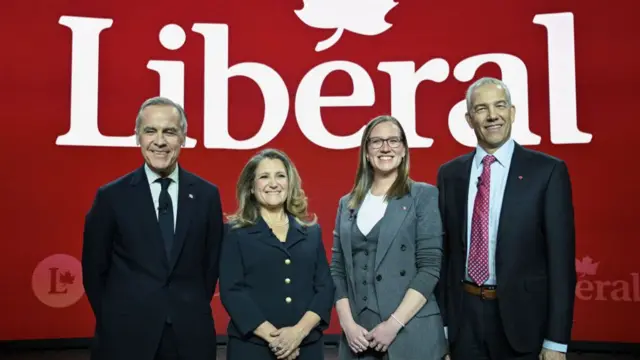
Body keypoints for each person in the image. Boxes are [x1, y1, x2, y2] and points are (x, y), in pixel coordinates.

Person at [435, 77, 577, 360]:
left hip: (524, 324)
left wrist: (557, 341)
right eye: (481, 108)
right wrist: (443, 329)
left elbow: (561, 264)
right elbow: (444, 258)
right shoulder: (450, 175)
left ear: (512, 112)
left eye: (500, 106)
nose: (492, 116)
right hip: (464, 323)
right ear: (469, 118)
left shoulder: (547, 172)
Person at [81, 96, 224, 360]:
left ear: (183, 137)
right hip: (124, 337)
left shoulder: (207, 195)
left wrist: (185, 307)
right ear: (138, 137)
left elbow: (210, 266)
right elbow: (93, 270)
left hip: (189, 336)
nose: (160, 141)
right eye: (150, 131)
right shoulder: (111, 197)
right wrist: (114, 319)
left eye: (169, 131)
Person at [330, 115, 447, 360]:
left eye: (394, 141)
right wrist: (348, 325)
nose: (386, 148)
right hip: (359, 337)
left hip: (410, 332)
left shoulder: (422, 196)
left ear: (404, 150)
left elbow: (429, 269)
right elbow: (337, 270)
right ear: (366, 151)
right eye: (377, 142)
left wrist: (393, 325)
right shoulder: (347, 203)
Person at [219, 148, 335, 360]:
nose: (274, 183)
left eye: (280, 176)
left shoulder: (310, 231)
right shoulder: (235, 233)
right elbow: (232, 291)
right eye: (264, 177)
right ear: (251, 187)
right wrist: (277, 340)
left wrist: (297, 333)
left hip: (306, 347)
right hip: (253, 349)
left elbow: (324, 288)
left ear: (290, 183)